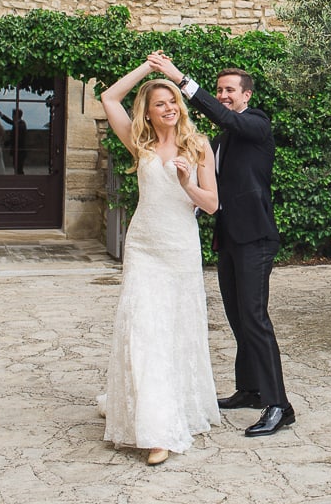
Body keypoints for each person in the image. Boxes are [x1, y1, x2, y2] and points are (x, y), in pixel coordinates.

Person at [147, 51, 295, 438]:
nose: (223, 95)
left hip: (255, 238)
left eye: (230, 90)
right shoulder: (221, 140)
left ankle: (280, 404)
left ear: (246, 96)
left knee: (255, 317)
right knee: (237, 317)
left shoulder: (256, 123)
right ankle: (250, 389)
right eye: (219, 90)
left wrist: (181, 79)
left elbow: (224, 116)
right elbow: (209, 189)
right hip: (228, 238)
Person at [98, 58, 221, 466]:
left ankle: (171, 414)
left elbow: (212, 205)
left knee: (173, 332)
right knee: (142, 330)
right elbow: (109, 97)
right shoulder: (141, 143)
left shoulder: (198, 145)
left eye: (172, 101)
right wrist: (149, 71)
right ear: (148, 112)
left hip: (179, 249)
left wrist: (187, 182)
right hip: (144, 249)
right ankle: (154, 430)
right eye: (159, 103)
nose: (169, 107)